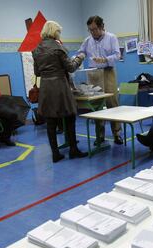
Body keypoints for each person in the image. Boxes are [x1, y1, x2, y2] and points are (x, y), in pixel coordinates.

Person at [32, 20, 88, 163]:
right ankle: (73, 150)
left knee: (50, 122)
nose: (59, 34)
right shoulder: (58, 47)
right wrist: (79, 58)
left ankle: (55, 154)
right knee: (70, 117)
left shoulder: (36, 49)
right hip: (60, 86)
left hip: (46, 87)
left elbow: (37, 72)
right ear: (54, 32)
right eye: (59, 31)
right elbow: (71, 68)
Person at [77, 15, 123, 145]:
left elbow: (118, 55)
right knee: (96, 105)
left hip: (108, 71)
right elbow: (81, 52)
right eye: (90, 30)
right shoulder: (87, 40)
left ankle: (117, 133)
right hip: (93, 73)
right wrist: (79, 57)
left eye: (95, 29)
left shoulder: (111, 37)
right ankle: (100, 135)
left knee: (112, 103)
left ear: (102, 26)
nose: (93, 32)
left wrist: (106, 59)